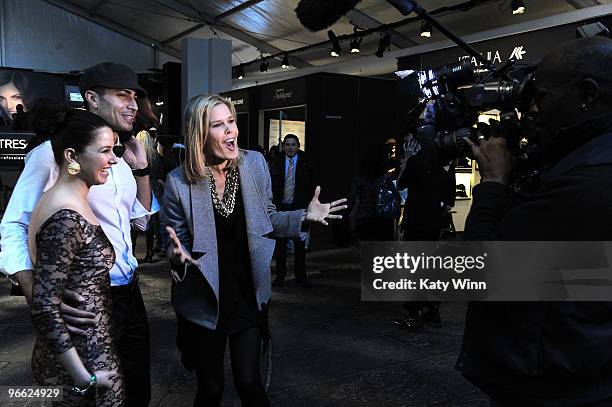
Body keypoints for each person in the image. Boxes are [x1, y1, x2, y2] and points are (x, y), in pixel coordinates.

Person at [161, 95, 346, 406]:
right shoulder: (179, 182)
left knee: (249, 382)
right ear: (198, 133)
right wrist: (177, 255)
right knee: (210, 388)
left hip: (247, 292)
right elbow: (174, 243)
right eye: (218, 125)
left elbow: (268, 217)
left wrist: (303, 217)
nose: (230, 131)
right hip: (205, 299)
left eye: (231, 121)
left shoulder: (254, 164)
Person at [457, 36, 612, 406]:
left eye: (541, 96)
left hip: (557, 378)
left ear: (585, 95)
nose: (533, 110)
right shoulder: (588, 160)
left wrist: (493, 182)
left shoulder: (588, 180)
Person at [0, 62, 159, 407]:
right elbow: (13, 224)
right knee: (88, 396)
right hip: (87, 303)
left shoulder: (120, 156)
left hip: (130, 294)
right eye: (122, 95)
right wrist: (40, 295)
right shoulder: (53, 155)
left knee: (137, 393)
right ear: (92, 98)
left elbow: (140, 223)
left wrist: (142, 168)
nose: (133, 104)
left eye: (135, 96)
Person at [28, 109, 123, 405]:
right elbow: (44, 306)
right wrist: (84, 377)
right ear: (72, 156)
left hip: (91, 350)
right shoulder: (66, 217)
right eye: (105, 151)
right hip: (83, 361)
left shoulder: (73, 199)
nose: (114, 159)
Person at [393, 132, 455, 329]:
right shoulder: (444, 165)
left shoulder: (417, 162)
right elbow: (448, 199)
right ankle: (432, 309)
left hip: (417, 222)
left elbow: (400, 183)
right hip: (434, 223)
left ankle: (415, 312)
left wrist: (407, 160)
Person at [269, 134, 317, 287]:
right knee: (280, 244)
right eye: (287, 145)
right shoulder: (276, 161)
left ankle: (301, 277)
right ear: (283, 146)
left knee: (299, 243)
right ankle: (280, 276)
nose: (290, 148)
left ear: (298, 146)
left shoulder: (306, 161)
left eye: (293, 145)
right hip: (281, 206)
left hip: (299, 206)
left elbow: (312, 184)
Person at [347, 146, 399, 241]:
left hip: (364, 219)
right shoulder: (385, 178)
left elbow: (350, 200)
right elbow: (396, 196)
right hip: (384, 219)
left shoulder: (359, 179)